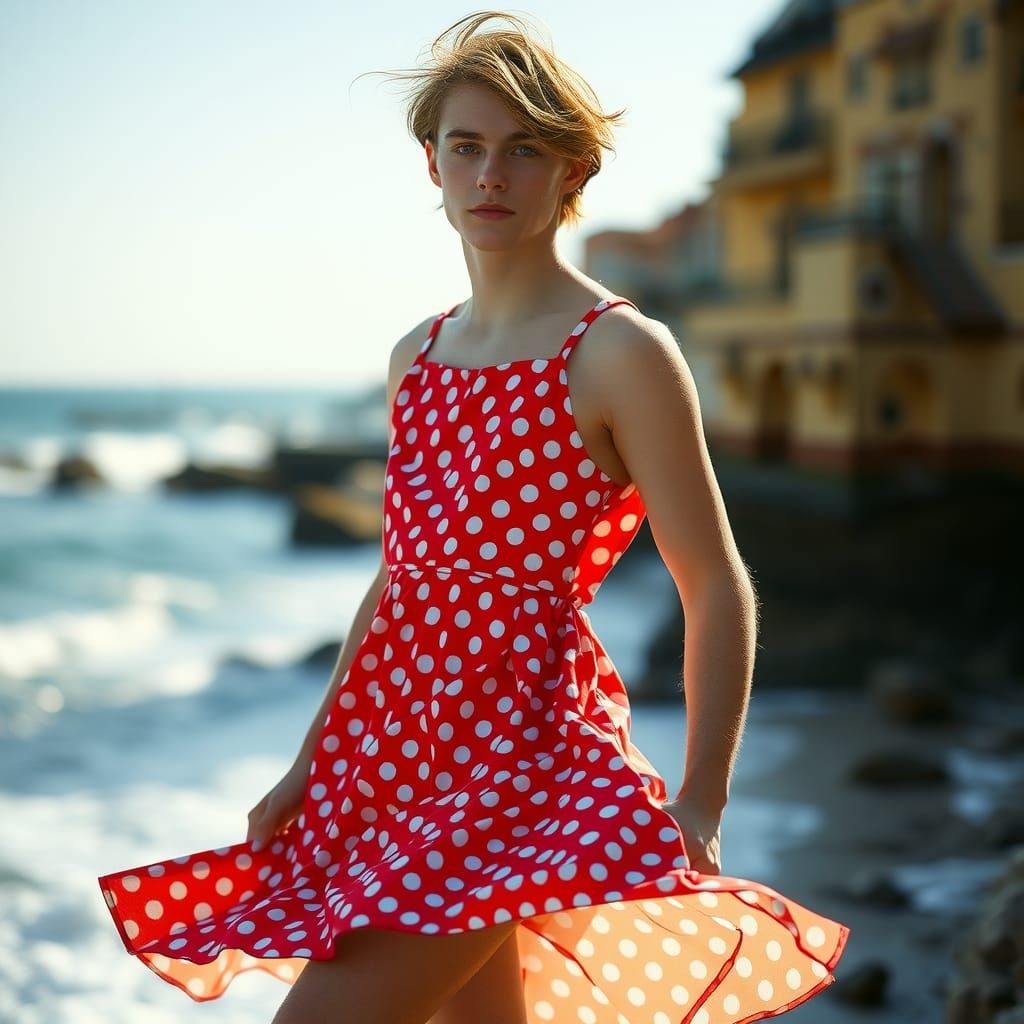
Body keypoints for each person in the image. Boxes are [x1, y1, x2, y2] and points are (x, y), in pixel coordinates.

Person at [97, 11, 849, 1022]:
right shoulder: (416, 355)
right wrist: (304, 768)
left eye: (523, 150)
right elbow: (398, 580)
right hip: (394, 759)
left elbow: (713, 582)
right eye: (467, 148)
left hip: (520, 761)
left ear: (570, 173)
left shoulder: (618, 352)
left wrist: (701, 798)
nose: (490, 175)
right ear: (433, 168)